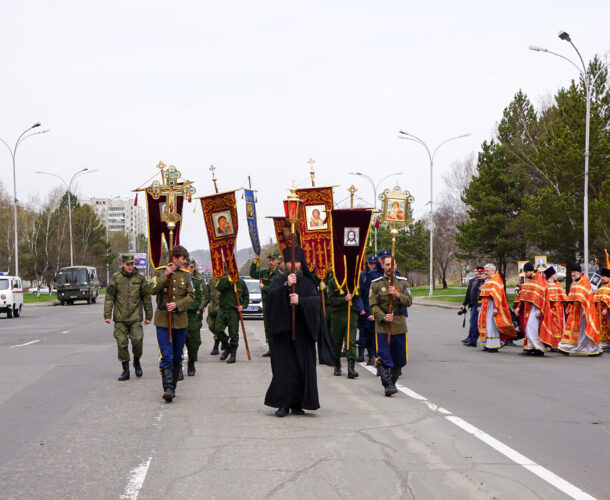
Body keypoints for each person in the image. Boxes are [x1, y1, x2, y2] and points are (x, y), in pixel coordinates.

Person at [265, 246, 326, 417]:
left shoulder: (308, 282)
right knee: (284, 370)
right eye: (290, 262)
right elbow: (270, 301)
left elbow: (316, 304)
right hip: (283, 334)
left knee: (301, 369)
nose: (293, 265)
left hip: (302, 333)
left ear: (302, 263)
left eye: (297, 262)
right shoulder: (278, 281)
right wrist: (286, 287)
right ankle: (283, 404)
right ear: (284, 264)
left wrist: (302, 302)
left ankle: (298, 403)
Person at [150, 245, 195, 402]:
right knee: (166, 355)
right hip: (163, 320)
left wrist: (177, 305)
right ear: (174, 258)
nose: (185, 261)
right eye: (182, 258)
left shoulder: (186, 275)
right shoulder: (161, 271)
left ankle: (173, 386)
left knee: (177, 356)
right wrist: (166, 275)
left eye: (185, 259)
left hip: (180, 321)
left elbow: (191, 296)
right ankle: (168, 388)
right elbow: (152, 288)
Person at [104, 253, 153, 381]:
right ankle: (125, 370)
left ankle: (136, 361)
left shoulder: (140, 279)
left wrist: (149, 315)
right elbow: (109, 297)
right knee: (121, 343)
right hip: (120, 319)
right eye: (128, 264)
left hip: (135, 318)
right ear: (123, 265)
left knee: (137, 340)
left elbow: (146, 298)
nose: (130, 267)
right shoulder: (116, 279)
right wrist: (107, 315)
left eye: (132, 264)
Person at [369, 255, 413, 396]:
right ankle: (388, 384)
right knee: (383, 356)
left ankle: (392, 382)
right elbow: (372, 305)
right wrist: (382, 316)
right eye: (387, 265)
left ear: (396, 266)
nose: (390, 268)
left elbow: (409, 302)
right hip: (382, 326)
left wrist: (396, 294)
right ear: (382, 266)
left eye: (392, 265)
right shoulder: (376, 284)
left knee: (400, 358)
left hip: (399, 325)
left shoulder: (402, 283)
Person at [558, 264, 602, 356]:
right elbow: (571, 297)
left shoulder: (585, 283)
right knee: (573, 330)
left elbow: (588, 299)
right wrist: (569, 307)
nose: (573, 274)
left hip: (583, 311)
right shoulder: (574, 283)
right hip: (574, 310)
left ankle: (592, 348)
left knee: (584, 331)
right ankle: (566, 347)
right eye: (572, 272)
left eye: (574, 272)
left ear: (579, 272)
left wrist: (585, 310)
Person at [326, 275, 363, 379]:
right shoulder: (332, 282)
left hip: (351, 315)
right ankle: (337, 365)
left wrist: (354, 290)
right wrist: (344, 299)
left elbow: (358, 295)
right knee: (337, 342)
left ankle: (351, 369)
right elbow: (330, 300)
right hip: (337, 315)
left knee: (350, 341)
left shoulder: (353, 281)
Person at [250, 251, 283, 357]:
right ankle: (270, 348)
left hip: (276, 304)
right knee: (267, 326)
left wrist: (264, 287)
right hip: (266, 302)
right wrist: (255, 261)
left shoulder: (280, 275)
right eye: (270, 260)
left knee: (275, 325)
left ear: (277, 261)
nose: (271, 262)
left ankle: (278, 348)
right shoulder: (264, 273)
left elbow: (278, 290)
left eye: (273, 260)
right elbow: (253, 274)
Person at [477, 264, 516, 352]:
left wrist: (496, 308)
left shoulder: (496, 280)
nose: (485, 272)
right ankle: (487, 344)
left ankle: (493, 345)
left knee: (491, 325)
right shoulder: (488, 280)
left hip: (491, 305)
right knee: (485, 325)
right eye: (485, 271)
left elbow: (498, 296)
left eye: (487, 271)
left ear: (492, 271)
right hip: (485, 305)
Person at [514, 263, 550, 356]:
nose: (525, 274)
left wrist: (539, 309)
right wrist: (518, 307)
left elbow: (542, 297)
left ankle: (539, 348)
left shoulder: (539, 281)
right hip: (526, 308)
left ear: (531, 271)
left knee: (532, 328)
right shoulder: (528, 280)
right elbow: (522, 295)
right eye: (524, 272)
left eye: (526, 272)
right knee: (527, 328)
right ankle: (530, 347)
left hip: (535, 308)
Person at [215, 274, 249, 363]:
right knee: (218, 329)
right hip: (223, 310)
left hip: (234, 311)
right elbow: (218, 287)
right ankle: (227, 348)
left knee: (234, 334)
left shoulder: (241, 283)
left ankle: (233, 355)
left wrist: (243, 306)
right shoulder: (223, 280)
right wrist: (228, 280)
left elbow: (246, 297)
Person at [539, 266, 568, 349]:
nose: (556, 275)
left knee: (560, 327)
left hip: (559, 310)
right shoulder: (545, 285)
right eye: (555, 273)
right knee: (551, 327)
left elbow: (563, 296)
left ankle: (559, 344)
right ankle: (551, 344)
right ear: (551, 275)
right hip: (550, 309)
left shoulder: (558, 284)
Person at [357, 256, 377, 365]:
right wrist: (361, 309)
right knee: (363, 332)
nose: (373, 266)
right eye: (371, 264)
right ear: (367, 264)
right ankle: (361, 353)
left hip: (374, 307)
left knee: (372, 333)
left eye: (374, 263)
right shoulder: (363, 276)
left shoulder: (378, 276)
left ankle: (372, 355)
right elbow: (359, 294)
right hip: (364, 306)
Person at [185, 259, 204, 376]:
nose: (189, 269)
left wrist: (190, 308)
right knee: (178, 342)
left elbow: (199, 299)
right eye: (187, 267)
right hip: (179, 315)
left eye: (191, 267)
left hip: (191, 316)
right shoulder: (179, 280)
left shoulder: (197, 283)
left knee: (193, 341)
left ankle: (191, 362)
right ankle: (177, 368)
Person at [459, 267, 484, 347]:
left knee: (475, 323)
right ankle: (470, 338)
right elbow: (468, 294)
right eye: (475, 271)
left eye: (477, 271)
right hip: (472, 305)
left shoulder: (482, 282)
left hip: (478, 305)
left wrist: (479, 305)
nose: (476, 273)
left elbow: (479, 295)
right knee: (472, 322)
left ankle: (473, 340)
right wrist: (464, 304)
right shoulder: (472, 281)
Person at [594, 268, 610, 351]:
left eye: (603, 276)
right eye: (601, 276)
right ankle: (604, 343)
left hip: (607, 312)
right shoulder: (601, 287)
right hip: (599, 311)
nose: (602, 278)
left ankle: (607, 342)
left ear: (608, 277)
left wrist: (606, 309)